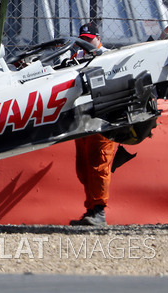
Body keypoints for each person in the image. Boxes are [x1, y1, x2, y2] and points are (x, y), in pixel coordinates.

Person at [69, 21, 117, 226]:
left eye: (90, 41)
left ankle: (99, 211)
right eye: (83, 41)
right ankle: (91, 209)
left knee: (99, 163)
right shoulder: (74, 57)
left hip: (104, 117)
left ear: (99, 39)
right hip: (82, 119)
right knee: (83, 167)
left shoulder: (111, 56)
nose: (86, 45)